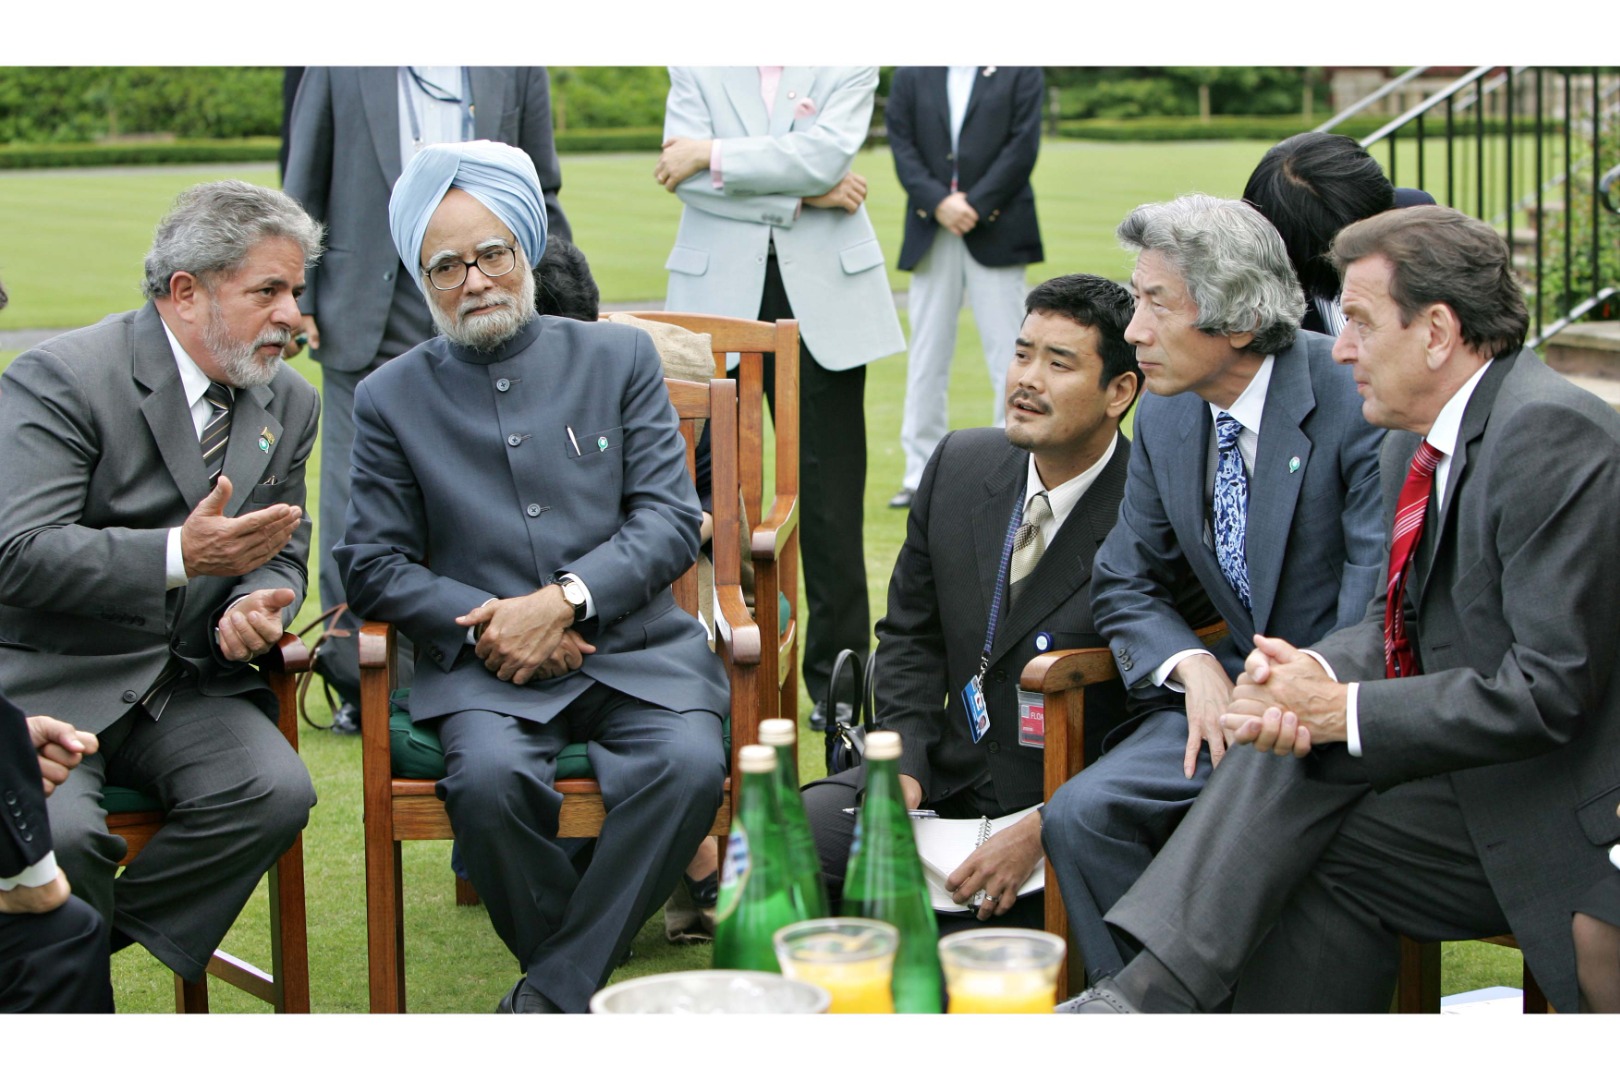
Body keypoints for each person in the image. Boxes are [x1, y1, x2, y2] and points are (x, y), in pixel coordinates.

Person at [1071, 205, 1620, 1015]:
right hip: (1461, 782)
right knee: (1290, 806)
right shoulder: (1414, 434)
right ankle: (1149, 1005)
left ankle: (1141, 1006)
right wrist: (1311, 674)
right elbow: (1386, 624)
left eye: (1359, 320)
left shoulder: (1551, 435)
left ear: (1436, 332)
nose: (1342, 344)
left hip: (1561, 803)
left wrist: (1338, 709)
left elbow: (1547, 691)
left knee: (1294, 761)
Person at [336, 140, 728, 1014]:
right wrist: (495, 624)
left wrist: (562, 602)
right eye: (446, 265)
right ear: (420, 278)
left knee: (690, 762)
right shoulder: (390, 396)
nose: (473, 280)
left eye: (491, 255)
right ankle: (575, 981)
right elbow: (369, 563)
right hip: (487, 672)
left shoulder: (617, 360)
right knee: (487, 785)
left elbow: (669, 520)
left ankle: (552, 996)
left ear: (524, 253)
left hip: (633, 650)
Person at [1040, 194, 1385, 993]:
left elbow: (1375, 613)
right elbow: (1125, 576)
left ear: (1234, 323)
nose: (1133, 331)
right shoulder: (1168, 414)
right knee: (1083, 814)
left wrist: (1291, 686)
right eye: (1137, 300)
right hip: (1223, 692)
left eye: (1157, 304)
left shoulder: (1355, 405)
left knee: (1249, 831)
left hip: (1334, 708)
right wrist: (1189, 662)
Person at [0, 181, 322, 985]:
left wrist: (260, 599)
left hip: (187, 684)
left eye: (297, 291)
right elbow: (17, 551)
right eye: (269, 291)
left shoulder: (291, 399)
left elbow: (283, 547)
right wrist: (178, 555)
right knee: (62, 841)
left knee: (273, 791)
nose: (293, 315)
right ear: (187, 292)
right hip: (54, 683)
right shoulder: (62, 377)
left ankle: (65, 959)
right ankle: (59, 975)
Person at [802, 274, 1141, 932]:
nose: (1027, 379)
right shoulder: (959, 465)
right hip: (941, 782)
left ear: (1120, 392)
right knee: (779, 847)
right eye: (1021, 353)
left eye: (1058, 362)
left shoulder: (1152, 517)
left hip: (1065, 813)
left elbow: (1158, 721)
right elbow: (907, 639)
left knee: (971, 969)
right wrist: (901, 768)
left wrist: (1052, 822)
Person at [282, 66, 571, 733]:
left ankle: (511, 644)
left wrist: (559, 299)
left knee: (496, 489)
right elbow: (304, 188)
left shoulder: (515, 61)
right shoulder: (339, 59)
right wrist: (302, 298)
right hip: (366, 309)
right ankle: (360, 675)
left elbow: (542, 190)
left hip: (488, 298)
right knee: (358, 505)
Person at [656, 66, 906, 729]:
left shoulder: (848, 55)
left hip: (829, 303)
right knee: (710, 502)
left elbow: (825, 157)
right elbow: (681, 181)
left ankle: (839, 688)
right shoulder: (695, 55)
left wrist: (711, 154)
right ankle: (703, 673)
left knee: (830, 511)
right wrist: (801, 199)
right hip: (714, 302)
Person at [885, 65, 1045, 510]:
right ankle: (919, 474)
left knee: (1013, 353)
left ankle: (1012, 467)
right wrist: (938, 202)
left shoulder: (1020, 69)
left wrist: (975, 205)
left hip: (997, 226)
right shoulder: (912, 72)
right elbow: (903, 145)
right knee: (927, 354)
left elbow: (1022, 145)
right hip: (931, 227)